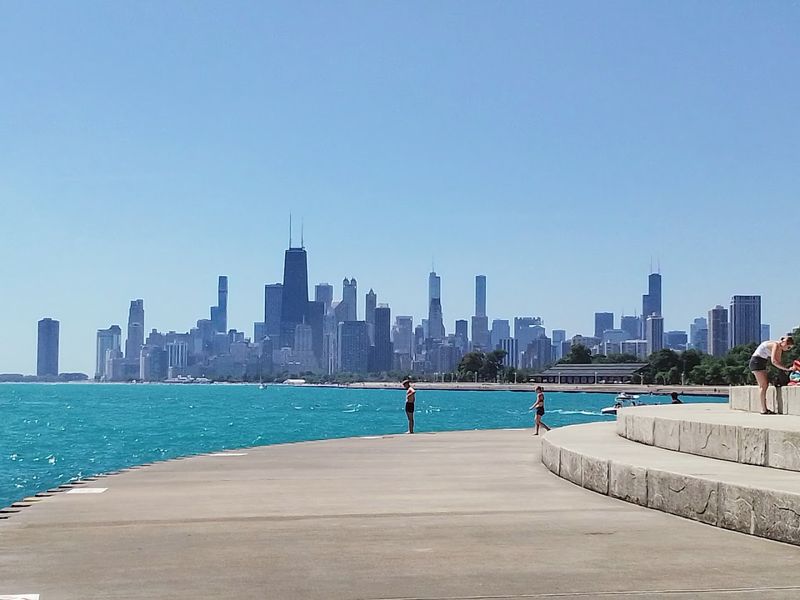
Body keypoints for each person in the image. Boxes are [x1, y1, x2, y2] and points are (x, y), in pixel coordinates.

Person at [749, 336, 796, 414]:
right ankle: (763, 409)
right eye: (788, 347)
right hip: (756, 362)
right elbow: (774, 361)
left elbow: (779, 362)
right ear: (784, 343)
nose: (788, 350)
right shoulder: (775, 345)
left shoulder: (779, 348)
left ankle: (764, 408)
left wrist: (786, 369)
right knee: (763, 385)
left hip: (760, 362)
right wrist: (787, 369)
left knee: (765, 385)